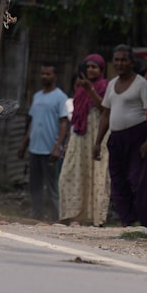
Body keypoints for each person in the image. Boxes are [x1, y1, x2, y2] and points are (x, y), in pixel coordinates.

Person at [92, 45, 147, 227]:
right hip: (116, 139)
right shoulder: (112, 84)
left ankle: (145, 223)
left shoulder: (141, 84)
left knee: (139, 180)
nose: (120, 63)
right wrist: (98, 142)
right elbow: (105, 114)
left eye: (124, 59)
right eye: (117, 59)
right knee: (118, 181)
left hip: (137, 136)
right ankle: (127, 222)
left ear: (132, 62)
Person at [58, 54, 111, 226]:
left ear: (101, 69)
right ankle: (75, 216)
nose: (90, 70)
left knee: (97, 174)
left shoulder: (105, 86)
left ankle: (96, 218)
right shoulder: (79, 88)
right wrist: (67, 142)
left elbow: (104, 108)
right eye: (88, 67)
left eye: (94, 67)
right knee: (70, 173)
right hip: (80, 137)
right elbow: (76, 117)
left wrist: (91, 90)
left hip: (97, 136)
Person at [18, 63, 69, 222]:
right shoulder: (37, 96)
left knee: (52, 187)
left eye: (48, 74)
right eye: (42, 74)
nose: (44, 77)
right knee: (35, 186)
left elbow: (63, 123)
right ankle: (37, 217)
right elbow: (32, 122)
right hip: (35, 148)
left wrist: (57, 147)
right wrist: (24, 143)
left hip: (50, 150)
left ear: (55, 76)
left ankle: (56, 218)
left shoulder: (61, 97)